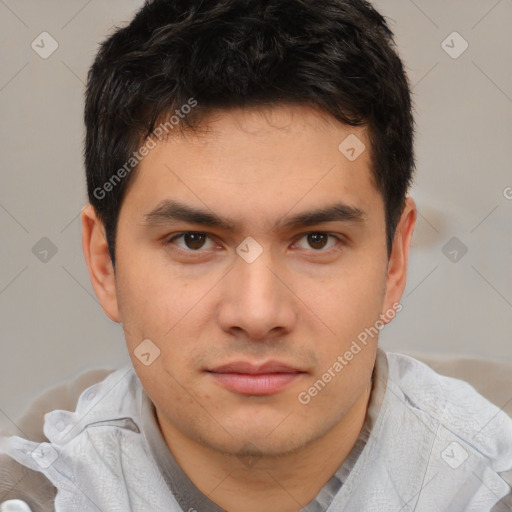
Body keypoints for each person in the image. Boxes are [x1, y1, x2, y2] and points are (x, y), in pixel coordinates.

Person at [1, 0, 511, 510]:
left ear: (394, 261)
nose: (258, 313)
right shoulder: (34, 490)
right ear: (104, 263)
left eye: (317, 240)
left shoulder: (490, 476)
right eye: (194, 240)